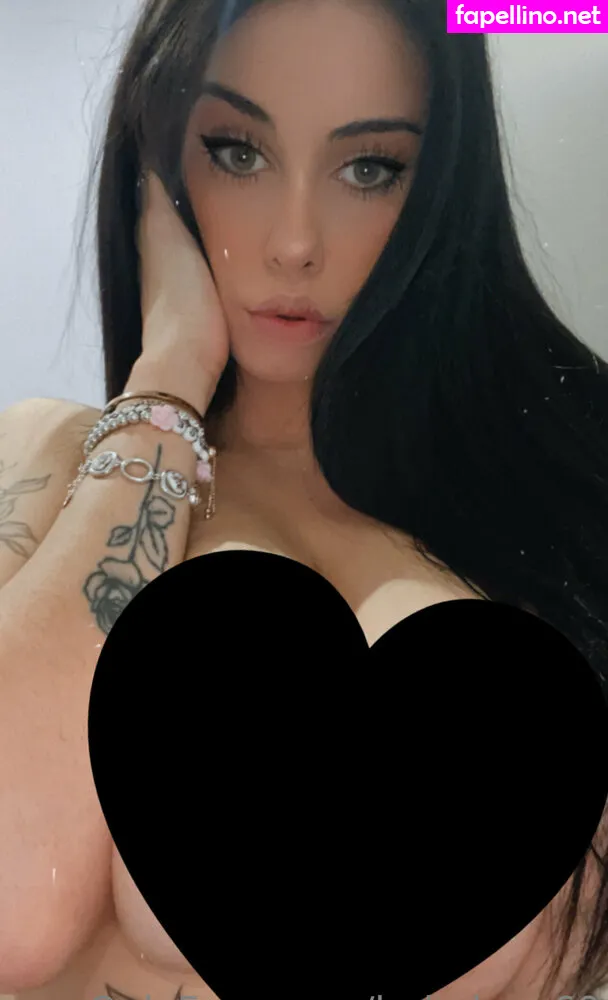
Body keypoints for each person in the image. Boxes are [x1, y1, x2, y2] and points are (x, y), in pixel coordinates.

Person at [0, 0, 607, 997]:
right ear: (158, 171)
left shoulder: (568, 487)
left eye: (368, 168)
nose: (293, 244)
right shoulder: (45, 460)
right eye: (237, 153)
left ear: (439, 188)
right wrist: (168, 379)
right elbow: (10, 894)